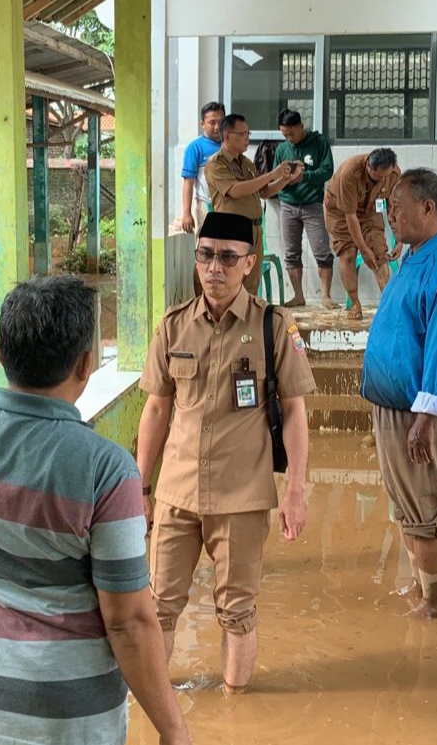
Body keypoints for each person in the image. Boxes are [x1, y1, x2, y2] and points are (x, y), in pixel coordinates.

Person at [0, 272, 190, 745]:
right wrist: (173, 729)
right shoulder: (106, 471)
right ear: (85, 364)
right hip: (71, 724)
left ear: (1, 356)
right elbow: (129, 622)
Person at [137, 211, 315, 694]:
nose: (214, 267)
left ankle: (235, 708)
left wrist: (296, 490)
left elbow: (295, 413)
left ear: (249, 263)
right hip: (176, 493)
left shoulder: (274, 327)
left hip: (242, 497)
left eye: (227, 257)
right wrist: (141, 487)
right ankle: (156, 704)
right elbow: (155, 411)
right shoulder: (173, 327)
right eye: (206, 254)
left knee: (236, 613)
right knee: (157, 608)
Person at [361, 168, 437, 620]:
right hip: (393, 404)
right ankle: (419, 586)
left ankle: (434, 603)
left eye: (397, 208)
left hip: (415, 410)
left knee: (424, 505)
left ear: (428, 209)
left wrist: (426, 418)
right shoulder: (416, 254)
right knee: (407, 503)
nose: (390, 217)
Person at [204, 113, 299, 294]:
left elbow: (264, 192)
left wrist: (285, 179)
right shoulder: (216, 164)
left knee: (251, 286)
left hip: (254, 230)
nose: (247, 138)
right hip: (232, 232)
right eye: (242, 134)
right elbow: (235, 190)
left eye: (248, 133)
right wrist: (271, 174)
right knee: (232, 284)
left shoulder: (247, 163)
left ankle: (248, 321)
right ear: (227, 136)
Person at [324, 148, 401, 319]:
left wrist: (400, 239)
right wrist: (363, 248)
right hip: (340, 212)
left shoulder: (394, 174)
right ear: (368, 167)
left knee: (380, 253)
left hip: (371, 210)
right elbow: (350, 216)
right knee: (348, 254)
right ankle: (355, 304)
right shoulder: (350, 173)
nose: (383, 180)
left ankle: (389, 306)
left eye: (386, 176)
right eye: (378, 177)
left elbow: (393, 207)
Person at [273, 108, 336, 308]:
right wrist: (285, 179)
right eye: (285, 135)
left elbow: (327, 171)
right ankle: (298, 295)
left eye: (292, 133)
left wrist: (304, 176)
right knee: (291, 253)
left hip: (312, 205)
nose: (289, 138)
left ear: (301, 126)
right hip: (288, 205)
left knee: (322, 250)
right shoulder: (282, 149)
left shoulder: (319, 143)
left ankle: (326, 296)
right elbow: (274, 176)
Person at [180, 101, 225, 234]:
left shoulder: (229, 145)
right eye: (212, 122)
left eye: (221, 122)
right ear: (202, 124)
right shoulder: (195, 148)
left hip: (229, 206)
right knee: (206, 247)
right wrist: (186, 213)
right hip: (206, 205)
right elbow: (188, 182)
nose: (217, 127)